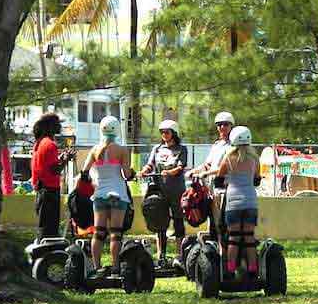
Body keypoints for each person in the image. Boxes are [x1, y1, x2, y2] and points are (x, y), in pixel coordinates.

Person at [81, 115, 135, 275]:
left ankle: (97, 267)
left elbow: (84, 173)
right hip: (118, 193)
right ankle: (116, 267)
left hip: (99, 194)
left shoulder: (94, 149)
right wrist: (133, 173)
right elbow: (126, 174)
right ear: (117, 129)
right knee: (116, 233)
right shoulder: (122, 150)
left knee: (98, 233)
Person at [138, 119, 188, 265]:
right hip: (160, 191)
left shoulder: (181, 149)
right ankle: (161, 255)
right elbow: (150, 164)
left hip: (176, 191)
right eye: (162, 132)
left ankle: (180, 254)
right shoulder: (157, 149)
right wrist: (144, 171)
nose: (164, 134)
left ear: (174, 133)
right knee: (160, 223)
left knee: (178, 221)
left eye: (167, 132)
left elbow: (180, 167)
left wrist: (170, 172)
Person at [217, 126, 259, 275]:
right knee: (249, 236)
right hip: (250, 201)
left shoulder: (228, 158)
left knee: (234, 237)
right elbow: (256, 181)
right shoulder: (254, 158)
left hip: (233, 202)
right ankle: (253, 269)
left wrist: (228, 182)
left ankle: (230, 269)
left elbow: (218, 180)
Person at [191, 111, 235, 239]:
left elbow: (224, 168)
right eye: (219, 125)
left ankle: (225, 254)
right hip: (213, 189)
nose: (222, 127)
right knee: (214, 223)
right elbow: (207, 164)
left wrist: (205, 173)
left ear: (231, 126)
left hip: (226, 189)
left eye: (225, 124)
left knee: (223, 224)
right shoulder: (217, 145)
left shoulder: (233, 146)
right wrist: (194, 171)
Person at [31, 113, 71, 239]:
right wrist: (66, 160)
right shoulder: (50, 145)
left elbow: (45, 166)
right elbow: (54, 170)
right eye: (58, 124)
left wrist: (60, 159)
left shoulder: (40, 143)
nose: (60, 126)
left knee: (43, 227)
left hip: (41, 190)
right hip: (50, 191)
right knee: (49, 230)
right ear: (51, 126)